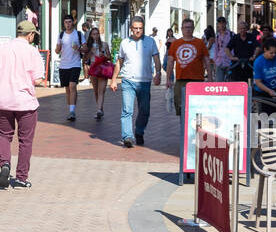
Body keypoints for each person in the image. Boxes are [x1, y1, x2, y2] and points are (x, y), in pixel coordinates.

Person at [0, 19, 46, 189]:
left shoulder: (3, 48)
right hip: (25, 102)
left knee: (4, 135)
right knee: (25, 140)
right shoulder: (32, 52)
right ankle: (20, 178)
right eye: (34, 34)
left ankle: (5, 164)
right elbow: (37, 79)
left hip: (4, 100)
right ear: (30, 35)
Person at [110, 15, 162, 147]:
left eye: (140, 28)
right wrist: (114, 79)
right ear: (131, 29)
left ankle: (139, 131)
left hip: (145, 81)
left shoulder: (150, 41)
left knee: (144, 111)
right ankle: (127, 136)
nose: (138, 31)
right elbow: (119, 62)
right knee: (127, 110)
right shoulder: (124, 43)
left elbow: (156, 59)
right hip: (128, 81)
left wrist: (158, 73)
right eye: (135, 28)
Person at [165, 16, 207, 117]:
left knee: (197, 109)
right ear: (182, 29)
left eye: (190, 27)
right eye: (185, 27)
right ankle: (183, 130)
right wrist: (168, 79)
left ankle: (195, 129)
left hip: (197, 80)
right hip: (180, 80)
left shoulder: (200, 43)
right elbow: (170, 62)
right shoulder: (175, 43)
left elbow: (206, 61)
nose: (188, 29)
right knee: (181, 109)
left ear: (193, 29)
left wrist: (209, 77)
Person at [54, 13, 84, 122]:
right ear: (64, 23)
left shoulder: (79, 34)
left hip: (75, 64)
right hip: (64, 65)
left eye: (70, 22)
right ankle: (70, 109)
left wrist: (79, 48)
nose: (68, 24)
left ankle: (72, 111)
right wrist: (57, 49)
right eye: (66, 22)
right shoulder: (61, 35)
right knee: (67, 88)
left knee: (72, 86)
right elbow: (57, 50)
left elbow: (85, 49)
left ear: (73, 22)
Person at [251, 38, 276, 115]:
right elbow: (258, 82)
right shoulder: (258, 62)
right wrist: (268, 91)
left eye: (275, 53)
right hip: (262, 93)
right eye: (271, 53)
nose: (274, 55)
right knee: (265, 117)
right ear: (265, 50)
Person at [83, 26, 110, 118]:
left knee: (101, 90)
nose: (96, 36)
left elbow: (110, 57)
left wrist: (104, 55)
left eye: (97, 34)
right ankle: (100, 109)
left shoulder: (104, 44)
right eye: (93, 34)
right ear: (91, 35)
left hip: (102, 68)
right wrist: (91, 52)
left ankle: (98, 110)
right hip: (93, 68)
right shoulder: (88, 46)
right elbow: (85, 60)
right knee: (96, 91)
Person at [209, 17, 235, 82]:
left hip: (230, 62)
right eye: (220, 23)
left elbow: (235, 48)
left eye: (223, 23)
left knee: (230, 83)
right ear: (218, 24)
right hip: (220, 62)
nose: (221, 25)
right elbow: (216, 49)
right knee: (219, 83)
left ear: (226, 23)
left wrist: (233, 58)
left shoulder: (232, 35)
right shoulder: (217, 36)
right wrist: (215, 61)